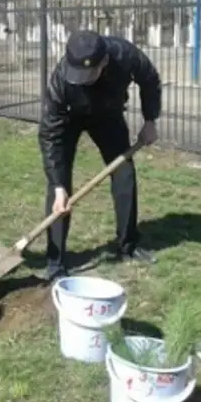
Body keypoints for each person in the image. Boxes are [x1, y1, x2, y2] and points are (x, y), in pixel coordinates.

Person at [38, 30, 161, 279]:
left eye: (87, 75)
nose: (81, 81)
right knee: (58, 187)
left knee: (124, 172)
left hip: (107, 116)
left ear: (104, 62)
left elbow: (149, 79)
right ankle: (56, 261)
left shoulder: (125, 54)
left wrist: (150, 120)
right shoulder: (61, 81)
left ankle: (128, 245)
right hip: (68, 120)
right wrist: (58, 184)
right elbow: (51, 135)